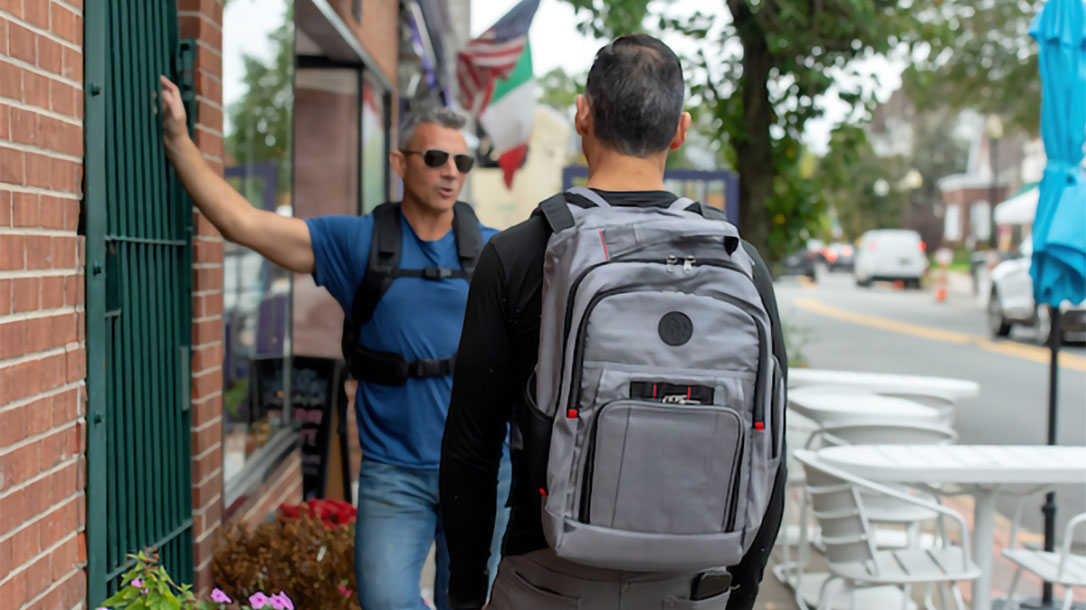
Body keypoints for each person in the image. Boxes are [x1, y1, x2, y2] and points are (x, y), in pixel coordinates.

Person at [439, 34, 786, 609]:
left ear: (583, 115)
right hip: (692, 583)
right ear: (680, 130)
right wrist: (742, 590)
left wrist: (467, 587)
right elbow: (771, 448)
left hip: (547, 578)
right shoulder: (739, 263)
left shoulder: (519, 254)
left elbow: (471, 449)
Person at [158, 76, 511, 610]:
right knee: (385, 600)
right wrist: (178, 140)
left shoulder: (495, 251)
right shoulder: (358, 242)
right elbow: (242, 224)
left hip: (482, 467)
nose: (450, 172)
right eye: (436, 157)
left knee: (475, 603)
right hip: (394, 473)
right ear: (399, 162)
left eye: (461, 162)